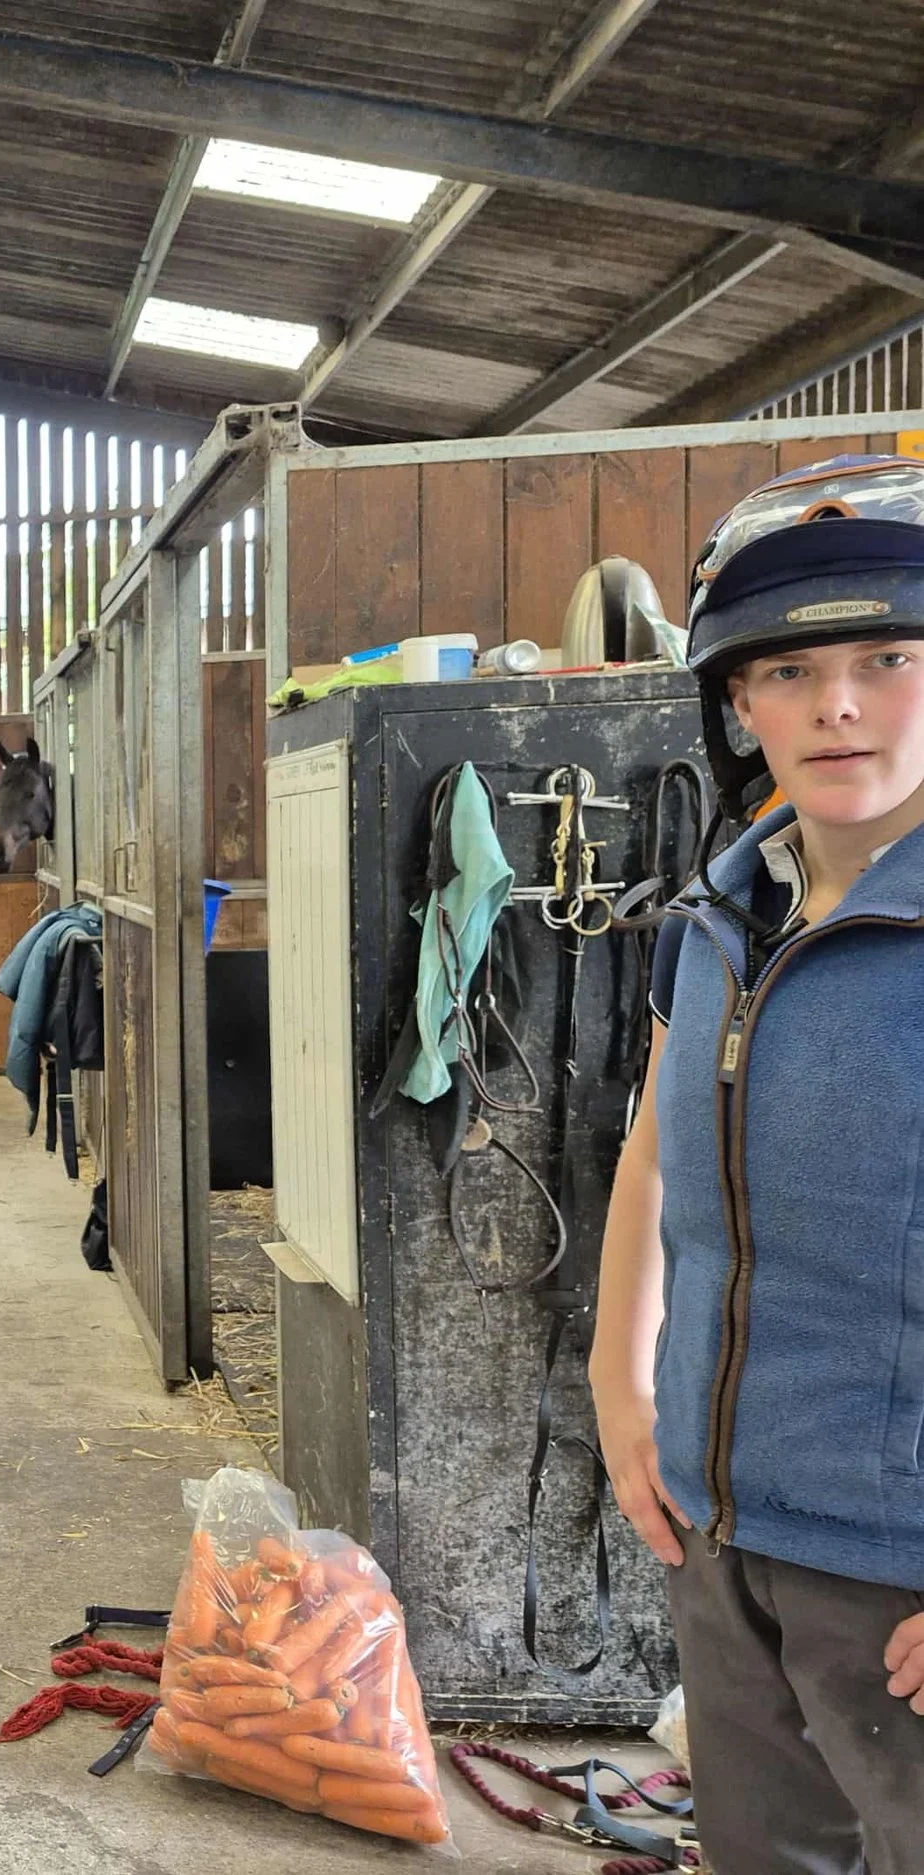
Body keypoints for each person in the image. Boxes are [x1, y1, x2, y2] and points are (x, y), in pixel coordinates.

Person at [592, 454, 924, 1872]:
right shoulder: (722, 912)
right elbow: (654, 1141)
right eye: (791, 672)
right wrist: (621, 1380)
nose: (837, 703)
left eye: (887, 657)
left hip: (895, 1563)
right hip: (720, 1530)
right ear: (739, 703)